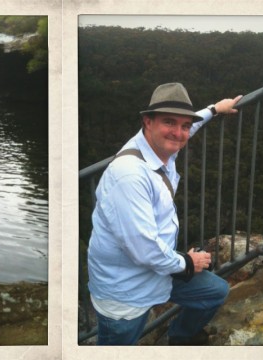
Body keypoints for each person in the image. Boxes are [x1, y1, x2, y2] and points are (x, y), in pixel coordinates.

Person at [87, 83, 243, 345]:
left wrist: (214, 110)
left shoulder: (157, 146)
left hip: (157, 271)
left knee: (214, 291)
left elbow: (184, 132)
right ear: (147, 122)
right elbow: (144, 249)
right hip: (126, 291)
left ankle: (179, 338)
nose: (179, 133)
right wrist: (188, 263)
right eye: (169, 122)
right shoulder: (130, 175)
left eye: (184, 125)